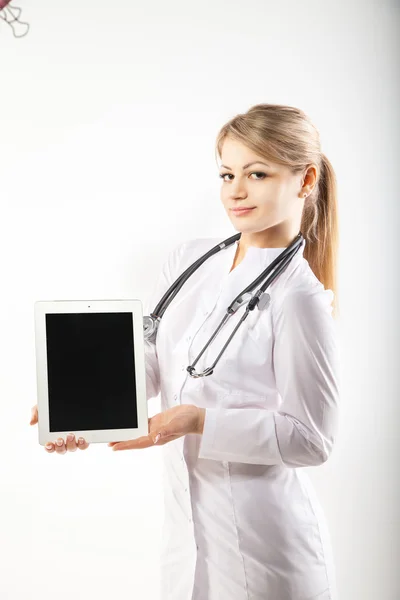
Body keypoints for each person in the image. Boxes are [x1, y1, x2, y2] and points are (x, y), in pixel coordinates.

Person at [30, 103, 341, 600]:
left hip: (267, 550)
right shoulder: (189, 262)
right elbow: (155, 362)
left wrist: (199, 420)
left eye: (257, 173)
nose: (235, 191)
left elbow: (312, 440)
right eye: (227, 173)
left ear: (304, 180)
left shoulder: (299, 298)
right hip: (187, 538)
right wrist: (81, 405)